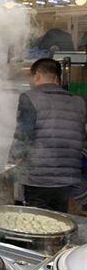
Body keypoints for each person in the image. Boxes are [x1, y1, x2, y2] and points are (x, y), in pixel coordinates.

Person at [9, 58, 87, 212]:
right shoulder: (78, 102)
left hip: (38, 178)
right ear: (57, 77)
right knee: (58, 221)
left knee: (37, 222)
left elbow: (23, 134)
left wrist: (14, 161)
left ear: (37, 75)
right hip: (68, 178)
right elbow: (81, 138)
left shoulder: (30, 97)